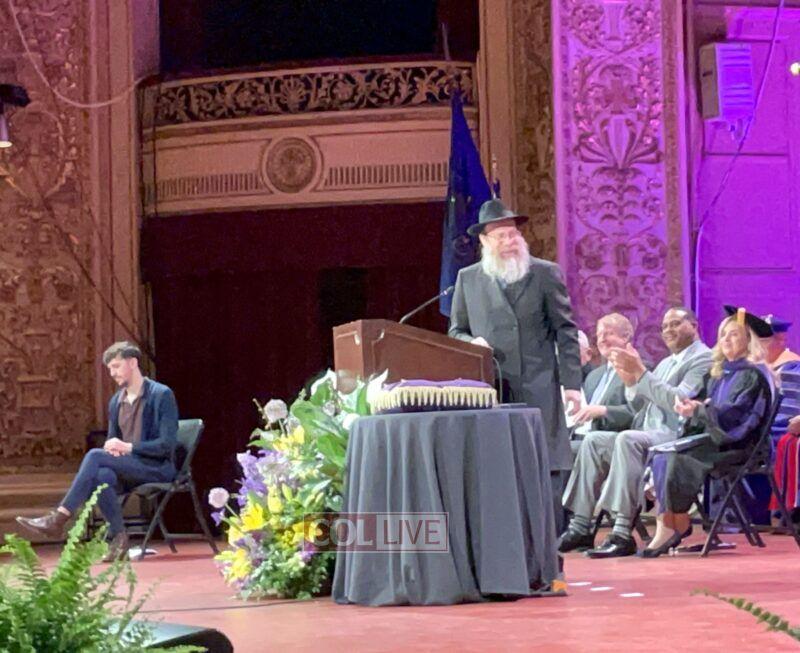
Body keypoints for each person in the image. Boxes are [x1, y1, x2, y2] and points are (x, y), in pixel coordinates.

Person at [449, 198, 582, 532]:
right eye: (501, 236)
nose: (509, 241)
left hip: (539, 388)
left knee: (543, 470)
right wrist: (472, 343)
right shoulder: (468, 279)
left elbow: (565, 332)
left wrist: (572, 386)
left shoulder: (545, 273)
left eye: (513, 234)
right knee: (498, 472)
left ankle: (549, 552)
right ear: (484, 241)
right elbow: (456, 331)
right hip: (491, 391)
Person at [560, 307, 712, 558]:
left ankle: (621, 532)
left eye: (675, 324)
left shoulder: (703, 359)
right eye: (664, 326)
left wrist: (639, 373)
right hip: (649, 431)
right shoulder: (665, 363)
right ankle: (581, 524)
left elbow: (679, 400)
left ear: (694, 326)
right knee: (594, 441)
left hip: (676, 434)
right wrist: (630, 382)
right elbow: (639, 404)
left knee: (627, 438)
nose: (668, 330)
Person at [16, 341, 179, 561]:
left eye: (116, 366)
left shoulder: (161, 394)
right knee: (101, 475)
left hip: (157, 467)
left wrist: (127, 447)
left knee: (94, 456)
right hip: (129, 466)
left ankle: (59, 518)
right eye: (110, 368)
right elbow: (112, 442)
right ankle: (119, 538)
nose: (112, 373)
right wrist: (114, 449)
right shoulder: (116, 402)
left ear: (132, 363)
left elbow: (167, 445)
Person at [643, 310, 771, 557]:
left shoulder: (752, 374)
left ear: (748, 339)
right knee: (663, 453)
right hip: (717, 440)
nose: (726, 339)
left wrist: (701, 410)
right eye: (723, 334)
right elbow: (702, 405)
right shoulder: (718, 373)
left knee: (679, 457)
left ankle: (672, 524)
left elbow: (735, 418)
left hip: (740, 446)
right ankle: (672, 521)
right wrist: (691, 408)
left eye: (734, 334)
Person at [572, 313, 638, 440]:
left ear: (625, 337)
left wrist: (603, 411)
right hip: (578, 436)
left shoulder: (637, 370)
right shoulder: (593, 376)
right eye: (599, 335)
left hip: (610, 438)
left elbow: (638, 412)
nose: (602, 340)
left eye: (608, 333)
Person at [763, 314, 800, 517]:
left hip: (780, 429)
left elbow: (787, 416)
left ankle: (781, 513)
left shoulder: (792, 367)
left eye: (763, 340)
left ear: (780, 340)